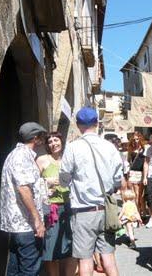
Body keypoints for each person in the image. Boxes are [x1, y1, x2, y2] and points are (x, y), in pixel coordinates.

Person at [59, 107, 123, 276]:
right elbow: (118, 179)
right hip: (106, 211)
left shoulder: (73, 148)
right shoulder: (110, 147)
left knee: (85, 259)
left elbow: (64, 180)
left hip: (83, 212)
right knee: (108, 257)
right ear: (97, 123)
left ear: (78, 125)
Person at [0, 122, 47, 276]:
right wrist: (37, 220)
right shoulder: (22, 156)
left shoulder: (16, 154)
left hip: (18, 225)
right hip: (25, 225)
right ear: (35, 138)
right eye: (42, 136)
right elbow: (23, 188)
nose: (43, 139)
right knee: (29, 269)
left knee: (15, 268)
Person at [36, 132, 77, 275]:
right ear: (47, 145)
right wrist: (46, 182)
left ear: (62, 141)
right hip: (50, 209)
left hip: (69, 207)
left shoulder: (68, 159)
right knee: (50, 248)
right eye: (50, 141)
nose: (53, 143)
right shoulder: (42, 160)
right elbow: (33, 183)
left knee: (70, 247)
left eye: (56, 140)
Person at [128, 131, 147, 217]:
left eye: (137, 139)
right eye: (134, 139)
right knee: (137, 194)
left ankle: (143, 210)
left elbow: (146, 161)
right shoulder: (131, 149)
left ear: (140, 139)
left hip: (142, 172)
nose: (136, 141)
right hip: (134, 172)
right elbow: (129, 160)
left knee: (141, 194)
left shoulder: (144, 148)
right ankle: (138, 213)